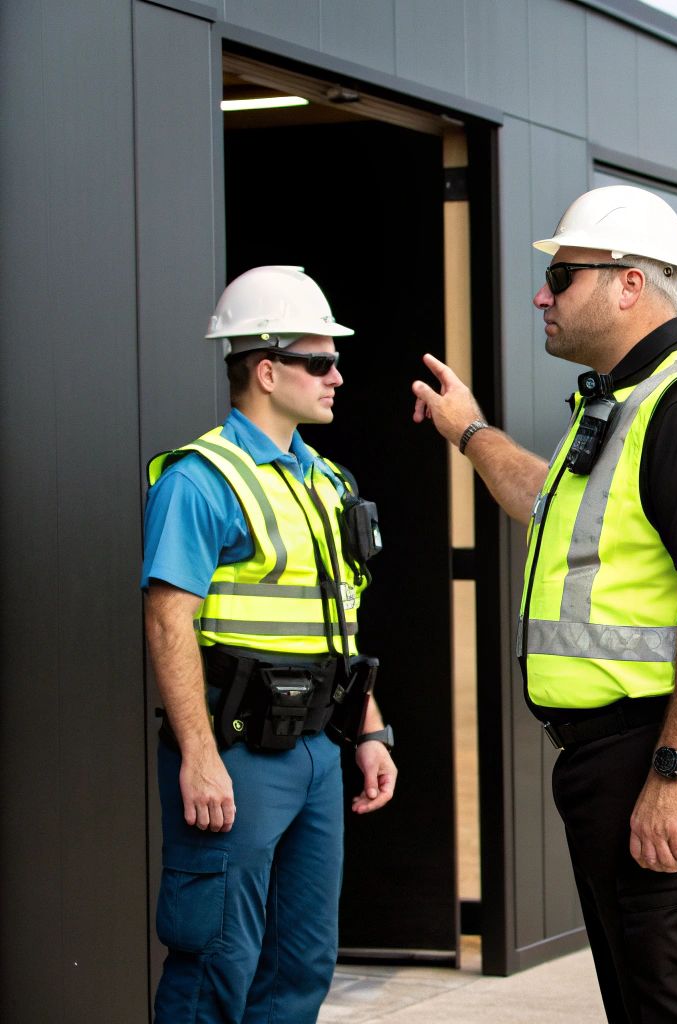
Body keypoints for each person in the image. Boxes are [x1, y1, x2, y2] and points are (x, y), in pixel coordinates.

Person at [411, 185, 677, 1022]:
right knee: (649, 1002)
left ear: (628, 283)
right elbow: (546, 499)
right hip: (625, 750)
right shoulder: (627, 402)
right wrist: (470, 431)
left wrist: (676, 766)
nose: (543, 295)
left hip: (676, 744)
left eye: (565, 275)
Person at [143, 266, 399, 1021]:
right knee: (214, 959)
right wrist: (197, 756)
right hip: (235, 753)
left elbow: (338, 629)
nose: (337, 377)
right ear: (265, 369)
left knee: (301, 963)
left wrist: (371, 730)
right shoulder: (200, 480)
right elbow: (167, 622)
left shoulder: (330, 484)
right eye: (320, 362)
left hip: (318, 753)